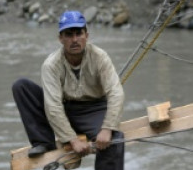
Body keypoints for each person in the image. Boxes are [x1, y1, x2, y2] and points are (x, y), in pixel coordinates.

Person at [12, 11, 125, 169]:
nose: (74, 40)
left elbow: (116, 93)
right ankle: (43, 142)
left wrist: (107, 128)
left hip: (93, 109)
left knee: (114, 139)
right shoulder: (51, 64)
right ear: (60, 38)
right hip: (64, 108)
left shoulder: (100, 57)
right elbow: (53, 106)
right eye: (69, 35)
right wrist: (72, 140)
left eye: (79, 34)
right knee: (21, 86)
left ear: (87, 35)